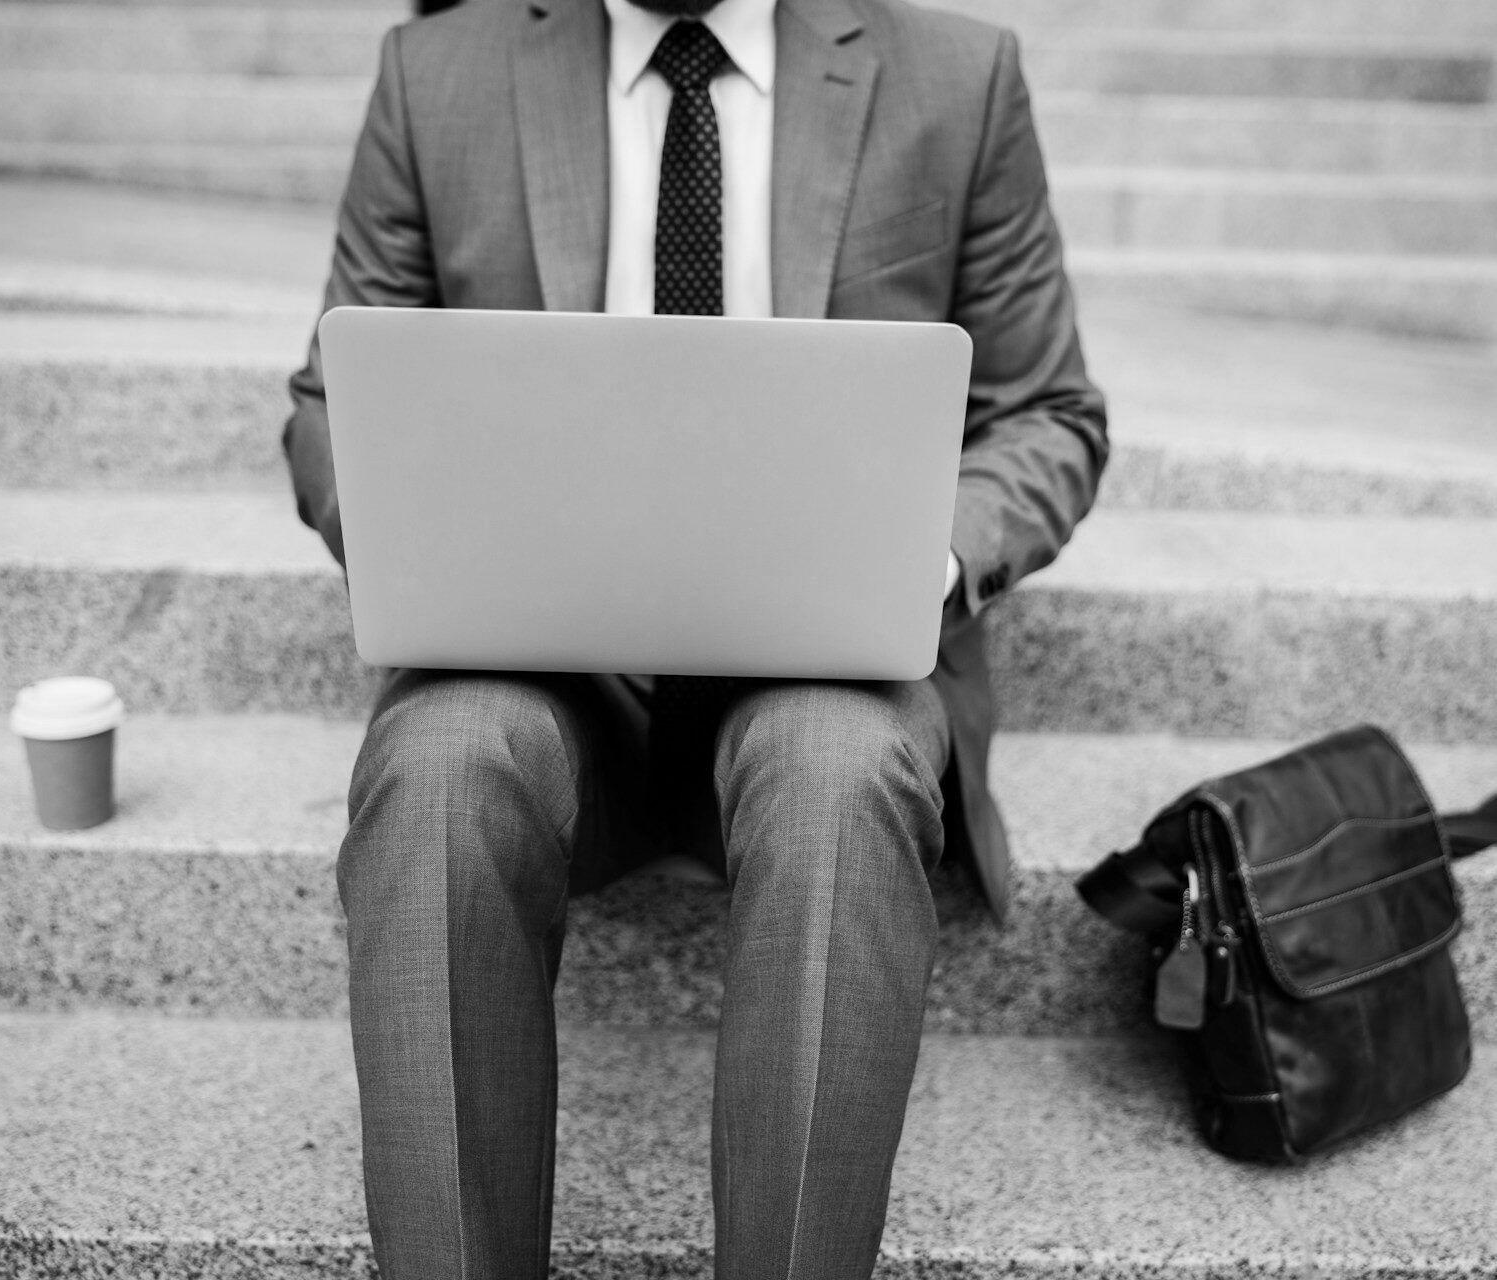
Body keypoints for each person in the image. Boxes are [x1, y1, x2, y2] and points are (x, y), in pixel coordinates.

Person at [282, 0, 1107, 1273]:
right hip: (541, 662)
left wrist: (917, 558)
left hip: (818, 657)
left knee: (839, 770)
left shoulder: (958, 76)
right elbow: (333, 397)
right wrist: (421, 528)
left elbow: (1045, 411)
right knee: (440, 764)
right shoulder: (435, 74)